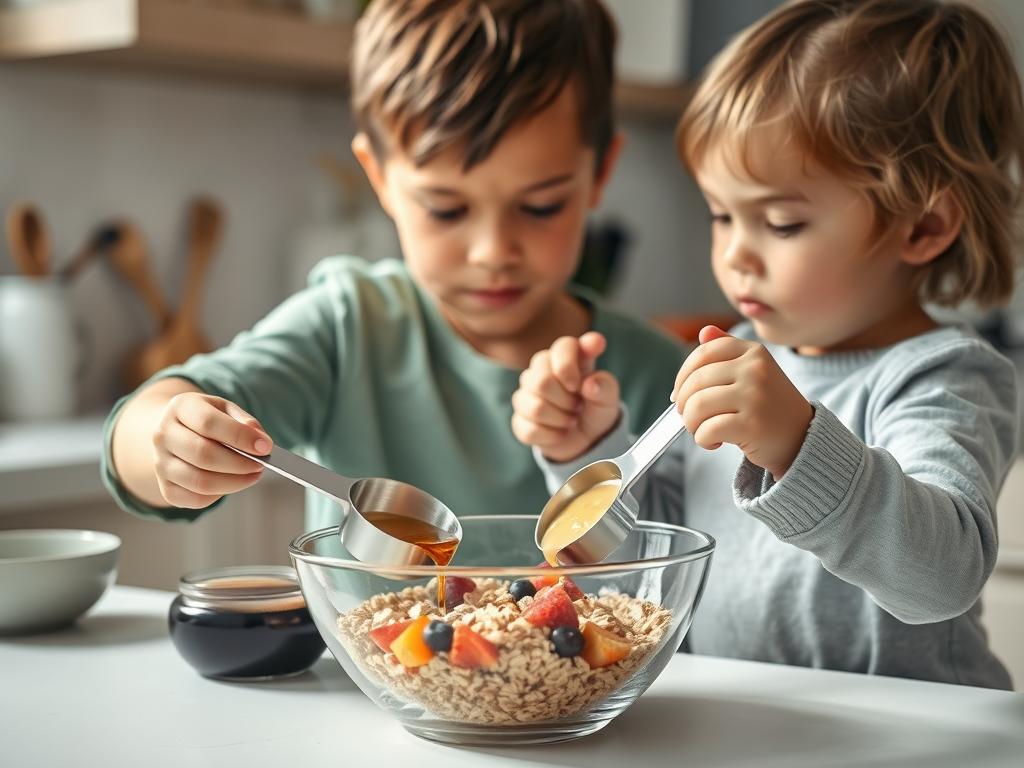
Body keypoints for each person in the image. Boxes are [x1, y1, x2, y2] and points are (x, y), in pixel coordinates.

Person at [512, 0, 1022, 689]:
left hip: (905, 737)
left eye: (781, 223)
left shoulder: (942, 378)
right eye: (723, 216)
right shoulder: (741, 356)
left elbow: (941, 579)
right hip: (747, 722)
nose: (735, 257)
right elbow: (654, 563)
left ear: (924, 227)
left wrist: (798, 444)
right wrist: (588, 449)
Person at [101, 0, 684, 531]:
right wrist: (166, 437)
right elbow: (159, 417)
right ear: (378, 177)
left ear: (600, 172)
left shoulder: (661, 378)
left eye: (540, 206)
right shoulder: (346, 328)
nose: (493, 251)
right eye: (446, 209)